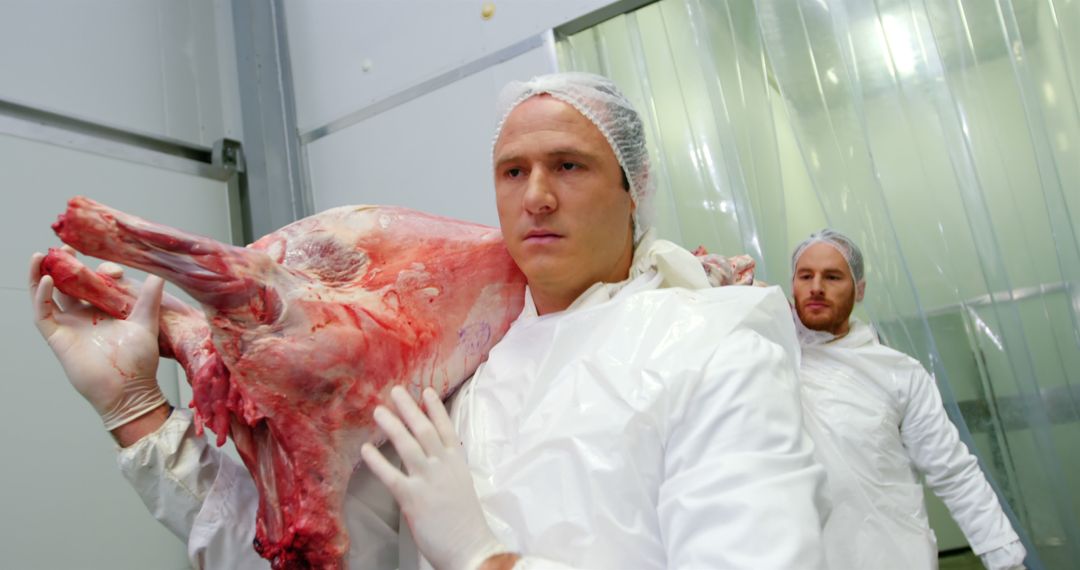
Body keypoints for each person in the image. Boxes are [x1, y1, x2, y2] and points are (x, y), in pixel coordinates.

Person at [30, 72, 826, 569]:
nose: (536, 196)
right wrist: (134, 412)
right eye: (513, 171)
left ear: (635, 187)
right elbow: (296, 551)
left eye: (569, 166)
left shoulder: (715, 343)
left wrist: (487, 560)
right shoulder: (464, 374)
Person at [790, 229, 1027, 570]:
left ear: (859, 289)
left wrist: (1006, 559)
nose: (816, 287)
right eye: (805, 275)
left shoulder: (898, 373)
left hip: (893, 555)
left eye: (832, 276)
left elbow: (953, 472)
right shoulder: (773, 361)